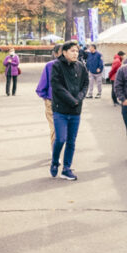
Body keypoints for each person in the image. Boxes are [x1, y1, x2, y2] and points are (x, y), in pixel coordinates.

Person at [50, 41, 89, 180]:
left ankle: (67, 169)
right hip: (60, 109)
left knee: (71, 141)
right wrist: (72, 100)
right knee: (60, 139)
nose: (75, 53)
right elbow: (57, 86)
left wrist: (79, 98)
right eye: (72, 51)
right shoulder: (57, 66)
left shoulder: (81, 66)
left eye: (77, 51)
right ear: (64, 52)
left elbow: (86, 83)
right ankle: (55, 161)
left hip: (76, 111)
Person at [35, 44, 63, 146]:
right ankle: (55, 152)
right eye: (61, 51)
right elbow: (42, 84)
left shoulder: (75, 65)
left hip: (69, 103)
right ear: (55, 54)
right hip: (52, 101)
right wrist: (46, 98)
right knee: (55, 128)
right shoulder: (50, 65)